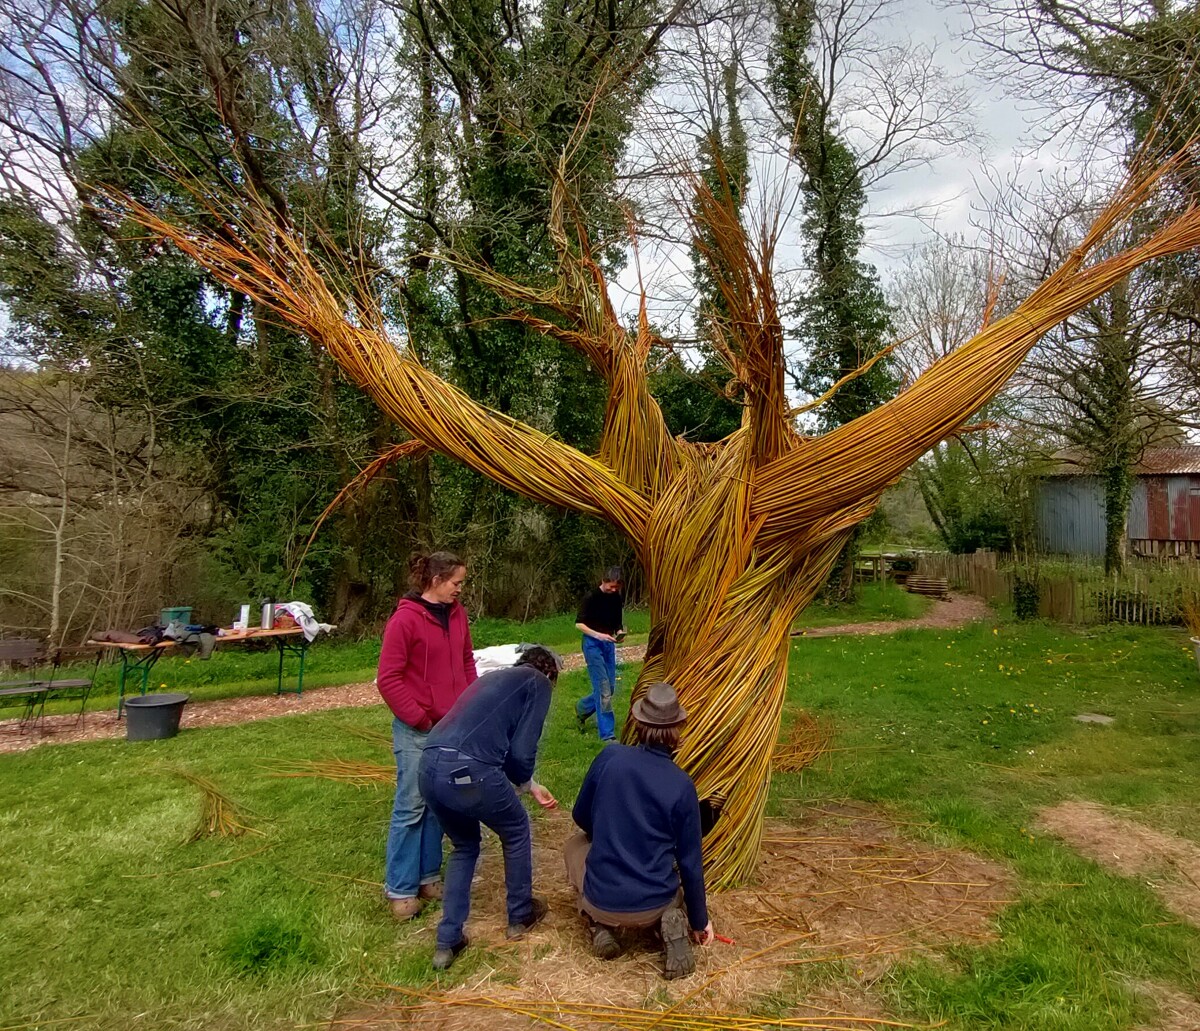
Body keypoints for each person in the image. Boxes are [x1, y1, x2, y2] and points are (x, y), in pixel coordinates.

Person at [418, 645, 562, 970]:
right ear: (550, 673)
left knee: (464, 846)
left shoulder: (496, 678)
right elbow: (522, 753)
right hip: (470, 771)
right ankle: (520, 914)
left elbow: (503, 748)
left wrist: (531, 786)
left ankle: (448, 939)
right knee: (516, 829)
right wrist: (525, 780)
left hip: (429, 767)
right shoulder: (537, 682)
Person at [565, 681, 714, 979]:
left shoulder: (610, 758)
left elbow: (580, 816)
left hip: (604, 900)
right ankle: (667, 925)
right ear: (678, 730)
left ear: (638, 721)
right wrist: (701, 921)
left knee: (573, 846)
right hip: (654, 903)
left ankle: (600, 924)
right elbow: (690, 863)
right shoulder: (682, 785)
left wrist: (610, 830)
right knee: (668, 881)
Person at [377, 550, 478, 921]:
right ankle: (400, 888)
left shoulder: (458, 614)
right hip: (418, 731)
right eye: (456, 583)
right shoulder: (404, 621)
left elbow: (467, 661)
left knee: (438, 803)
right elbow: (388, 678)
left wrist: (472, 704)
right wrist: (420, 719)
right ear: (435, 581)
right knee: (411, 807)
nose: (460, 590)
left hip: (452, 727)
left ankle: (427, 876)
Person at [574, 565, 625, 742]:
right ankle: (607, 734)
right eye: (611, 586)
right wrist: (599, 635)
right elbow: (579, 624)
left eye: (616, 587)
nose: (613, 589)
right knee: (603, 688)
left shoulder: (616, 598)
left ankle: (582, 708)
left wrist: (619, 633)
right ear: (603, 581)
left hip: (608, 645)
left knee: (610, 687)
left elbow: (618, 621)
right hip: (592, 645)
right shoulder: (591, 597)